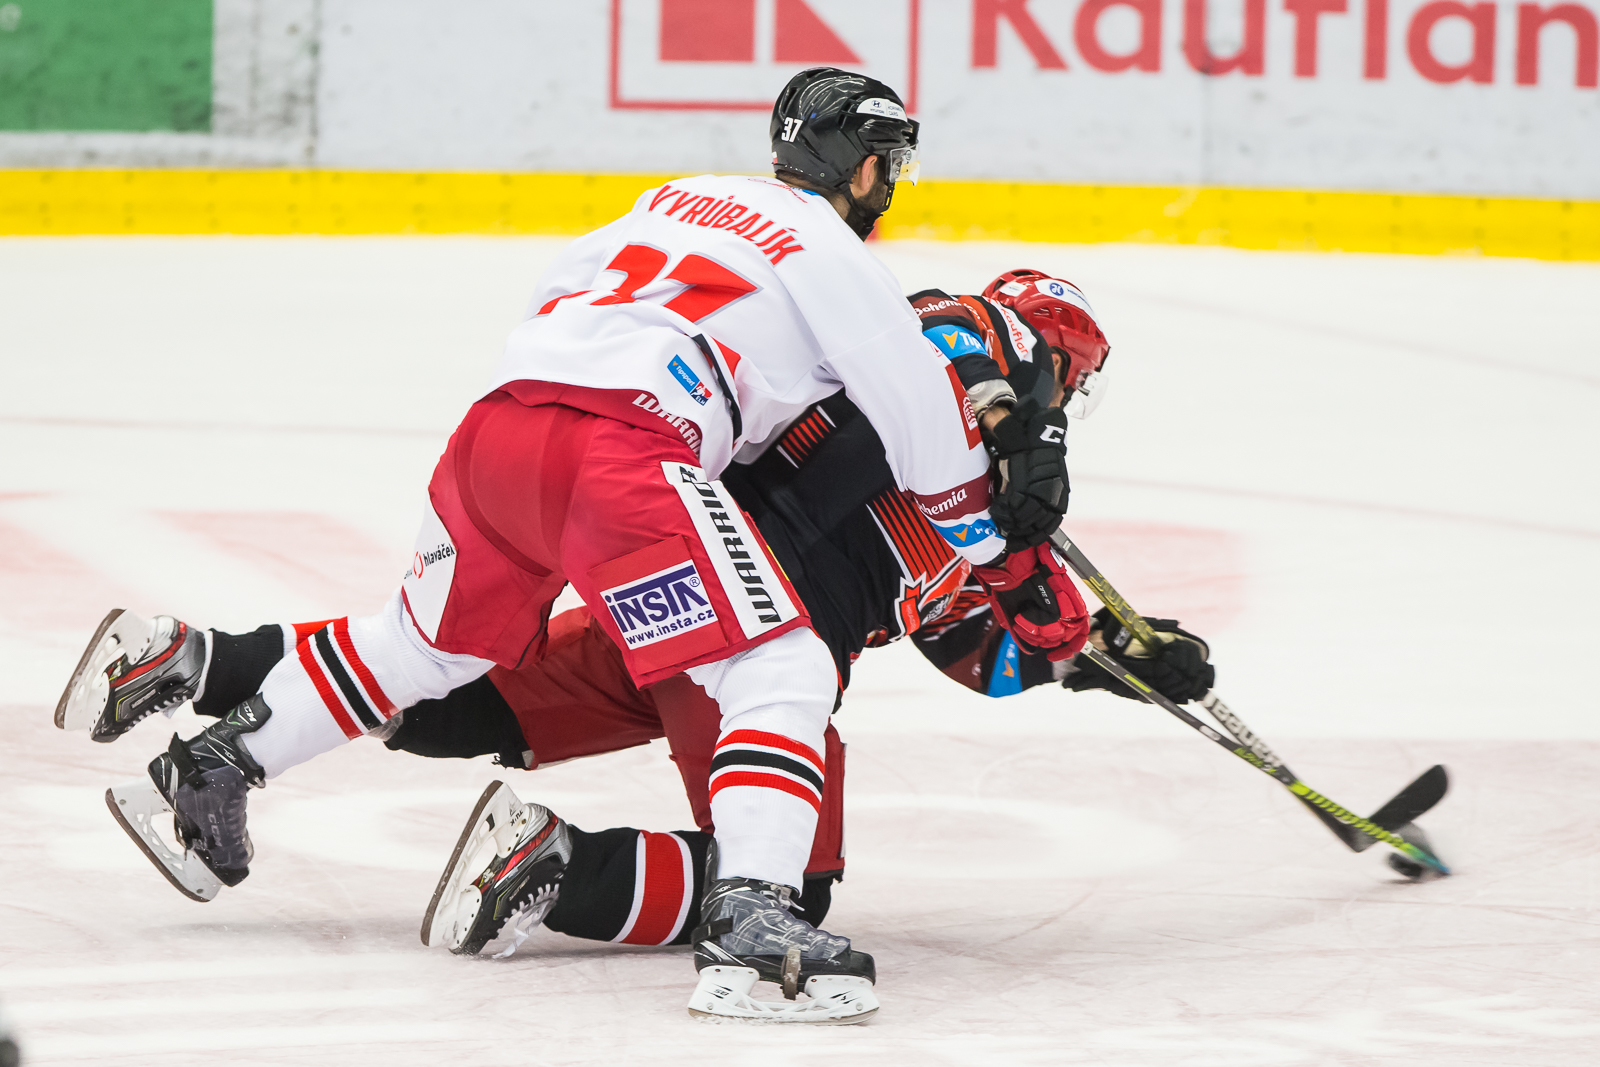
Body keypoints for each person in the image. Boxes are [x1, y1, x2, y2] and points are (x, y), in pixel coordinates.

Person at [62, 70, 1088, 1024]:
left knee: (421, 647)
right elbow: (921, 425)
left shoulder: (675, 198)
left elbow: (556, 300)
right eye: (887, 164)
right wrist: (997, 530)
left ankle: (209, 767)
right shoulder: (836, 254)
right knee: (781, 666)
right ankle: (750, 924)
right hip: (628, 452)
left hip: (500, 428)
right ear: (863, 167)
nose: (889, 185)